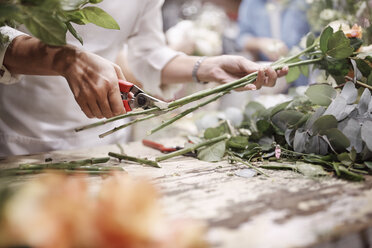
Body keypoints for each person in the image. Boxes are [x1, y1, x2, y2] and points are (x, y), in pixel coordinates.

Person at [0, 0, 287, 156]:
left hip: (106, 147)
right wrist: (64, 59)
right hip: (20, 142)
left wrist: (206, 66)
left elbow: (148, 53)